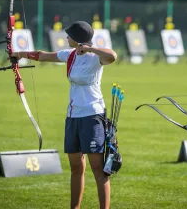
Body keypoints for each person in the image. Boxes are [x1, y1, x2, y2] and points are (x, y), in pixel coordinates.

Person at [11, 21, 117, 209]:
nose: (66, 38)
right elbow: (43, 56)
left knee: (98, 170)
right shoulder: (70, 55)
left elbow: (112, 56)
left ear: (78, 39)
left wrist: (91, 49)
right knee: (76, 168)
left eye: (69, 35)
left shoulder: (95, 58)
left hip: (92, 116)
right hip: (73, 117)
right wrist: (19, 54)